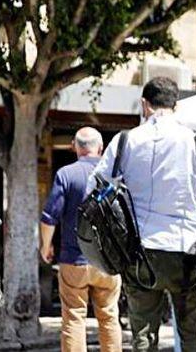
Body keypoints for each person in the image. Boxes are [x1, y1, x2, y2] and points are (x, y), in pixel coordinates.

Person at [93, 77, 196, 352]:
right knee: (192, 335)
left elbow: (98, 185)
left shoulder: (125, 140)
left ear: (144, 104)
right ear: (176, 106)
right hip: (186, 249)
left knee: (143, 335)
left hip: (140, 251)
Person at [40, 127, 121, 352]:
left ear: (74, 147)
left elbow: (49, 218)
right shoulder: (114, 176)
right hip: (108, 262)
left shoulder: (65, 174)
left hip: (73, 259)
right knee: (109, 318)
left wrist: (46, 247)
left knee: (74, 318)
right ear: (101, 148)